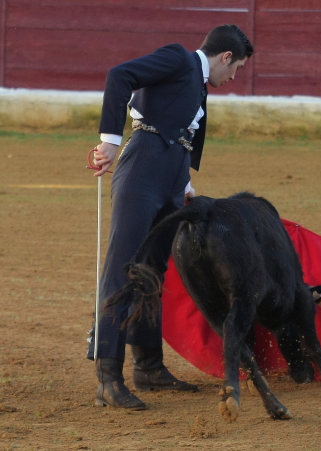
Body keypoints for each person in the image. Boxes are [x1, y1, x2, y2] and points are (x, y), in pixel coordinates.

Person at [86, 24, 253, 410]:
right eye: (238, 68)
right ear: (226, 57)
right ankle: (108, 379)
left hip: (169, 176)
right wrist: (110, 141)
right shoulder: (180, 58)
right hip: (142, 169)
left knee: (153, 271)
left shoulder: (198, 82)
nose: (235, 76)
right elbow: (120, 75)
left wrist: (185, 184)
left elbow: (179, 133)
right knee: (124, 268)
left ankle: (148, 367)